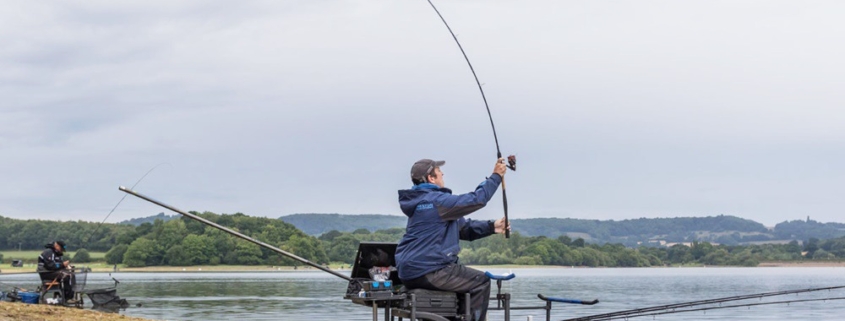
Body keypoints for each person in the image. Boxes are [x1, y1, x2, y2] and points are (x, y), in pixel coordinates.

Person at [395, 158, 510, 321]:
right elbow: (477, 199)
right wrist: (496, 176)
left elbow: (463, 229)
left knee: (463, 287)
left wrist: (492, 227)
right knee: (481, 281)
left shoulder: (422, 202)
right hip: (430, 269)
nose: (442, 173)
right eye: (439, 171)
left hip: (409, 271)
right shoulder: (437, 201)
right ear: (431, 179)